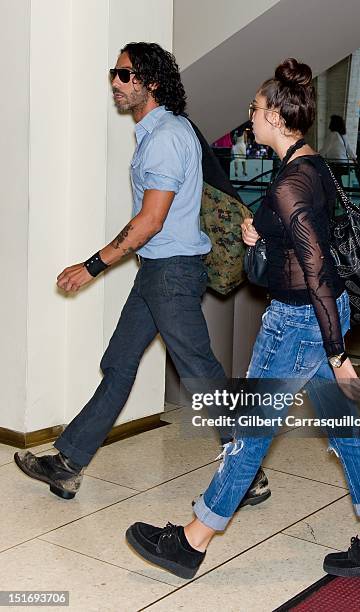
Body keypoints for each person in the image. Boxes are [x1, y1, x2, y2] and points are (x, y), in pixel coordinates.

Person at [125, 58, 360, 582]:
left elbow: (315, 267)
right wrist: (264, 236)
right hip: (320, 315)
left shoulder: (290, 183)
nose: (249, 118)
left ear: (275, 114)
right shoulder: (311, 167)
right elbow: (305, 242)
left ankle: (193, 538)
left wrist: (340, 356)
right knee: (344, 430)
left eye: (254, 110)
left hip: (300, 321)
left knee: (249, 433)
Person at [13, 42, 270, 509]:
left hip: (170, 272)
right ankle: (68, 463)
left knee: (199, 370)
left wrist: (91, 266)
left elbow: (151, 220)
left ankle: (248, 470)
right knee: (119, 362)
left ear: (151, 82)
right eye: (115, 73)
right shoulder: (159, 133)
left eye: (125, 74)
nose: (116, 82)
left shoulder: (167, 137)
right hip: (158, 270)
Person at [320, 114, 356, 185]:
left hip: (335, 164)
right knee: (338, 183)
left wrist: (315, 157)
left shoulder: (333, 135)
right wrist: (354, 158)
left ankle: (339, 195)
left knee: (334, 183)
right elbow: (349, 149)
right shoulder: (343, 135)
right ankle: (341, 195)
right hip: (343, 164)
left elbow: (325, 149)